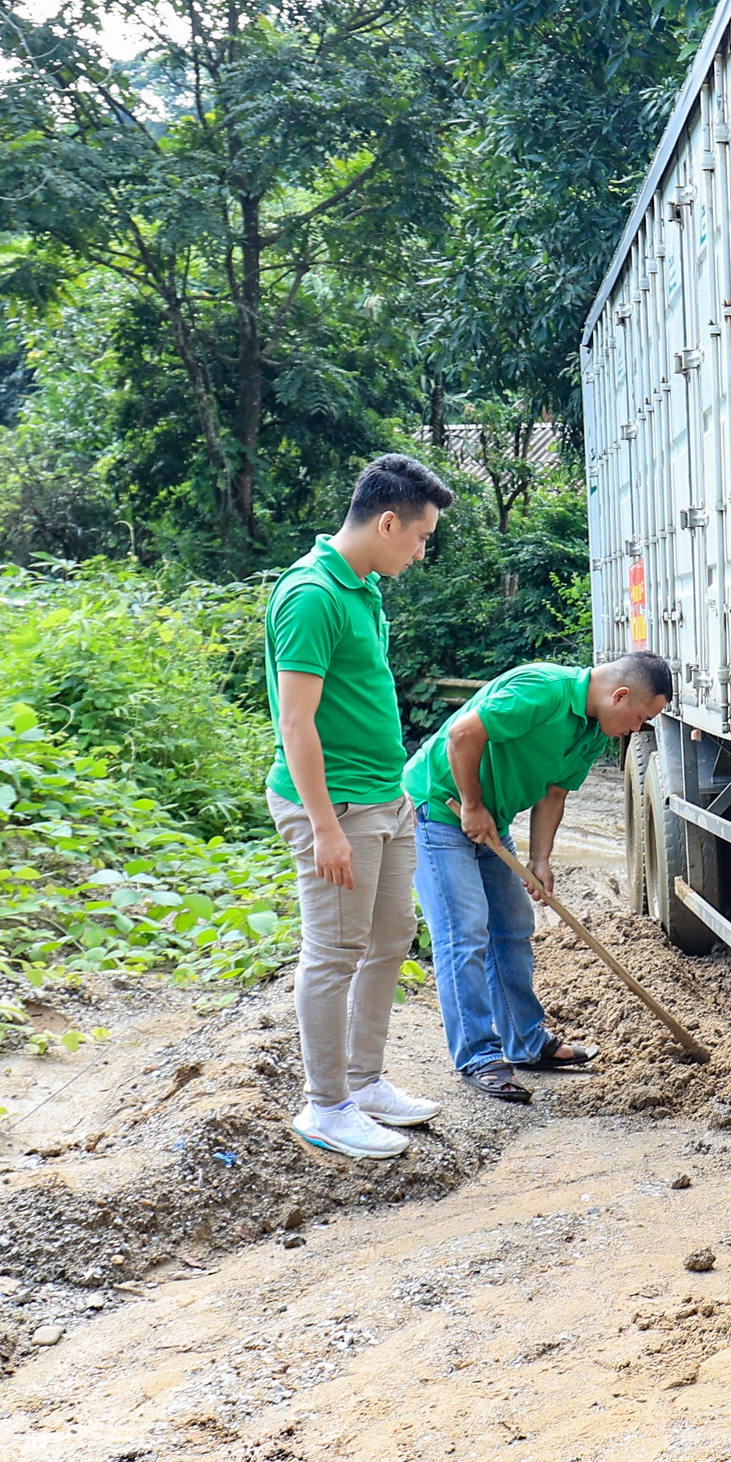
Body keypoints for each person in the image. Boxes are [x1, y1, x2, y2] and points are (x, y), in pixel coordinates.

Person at [265, 454, 457, 1161]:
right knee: (334, 952)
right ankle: (326, 1106)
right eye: (421, 536)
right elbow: (296, 724)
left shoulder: (365, 589)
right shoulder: (311, 595)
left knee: (390, 938)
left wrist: (397, 792)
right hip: (338, 805)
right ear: (387, 522)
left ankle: (364, 1082)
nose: (422, 550)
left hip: (385, 796)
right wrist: (324, 827)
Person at [403, 654, 676, 1103]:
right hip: (440, 808)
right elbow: (463, 734)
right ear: (620, 695)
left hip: (491, 822)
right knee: (463, 932)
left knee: (511, 927)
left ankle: (526, 1042)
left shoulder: (593, 731)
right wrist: (472, 806)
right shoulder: (541, 691)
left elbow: (554, 793)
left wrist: (541, 859)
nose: (636, 729)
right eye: (640, 718)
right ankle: (477, 1055)